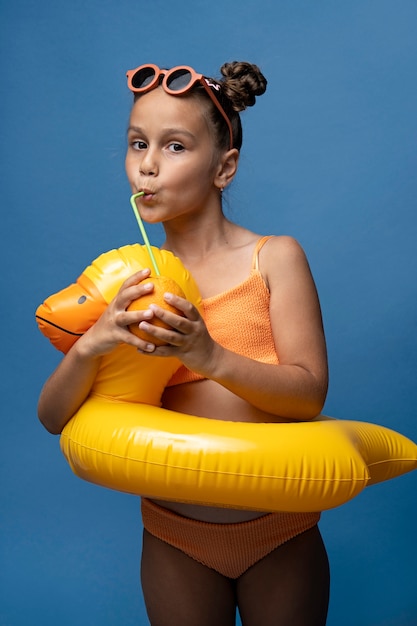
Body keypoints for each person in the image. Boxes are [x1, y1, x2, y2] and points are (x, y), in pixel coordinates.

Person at [38, 61, 330, 625]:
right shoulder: (128, 280)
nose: (146, 165)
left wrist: (208, 355)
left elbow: (308, 395)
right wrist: (92, 344)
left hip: (279, 529)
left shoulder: (274, 259)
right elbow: (53, 419)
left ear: (224, 168)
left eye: (175, 147)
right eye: (137, 143)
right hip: (174, 536)